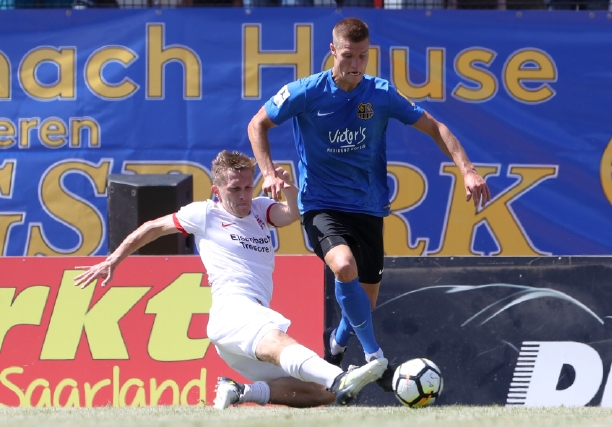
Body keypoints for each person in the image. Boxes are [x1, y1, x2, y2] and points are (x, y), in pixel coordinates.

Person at [247, 17, 491, 392]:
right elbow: (258, 124)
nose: (356, 64)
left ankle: (336, 344)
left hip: (368, 207)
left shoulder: (380, 94)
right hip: (321, 205)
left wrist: (468, 170)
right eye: (348, 55)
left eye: (363, 56)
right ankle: (376, 358)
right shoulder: (306, 92)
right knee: (343, 265)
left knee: (365, 301)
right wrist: (268, 172)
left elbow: (435, 127)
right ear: (333, 50)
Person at [73, 150, 388, 409]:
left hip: (238, 324)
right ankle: (339, 376)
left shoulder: (260, 210)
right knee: (288, 348)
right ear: (217, 191)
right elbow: (152, 228)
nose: (243, 196)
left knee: (322, 394)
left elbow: (290, 215)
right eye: (234, 190)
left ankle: (239, 391)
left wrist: (290, 188)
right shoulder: (204, 214)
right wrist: (113, 259)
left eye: (248, 187)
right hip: (235, 309)